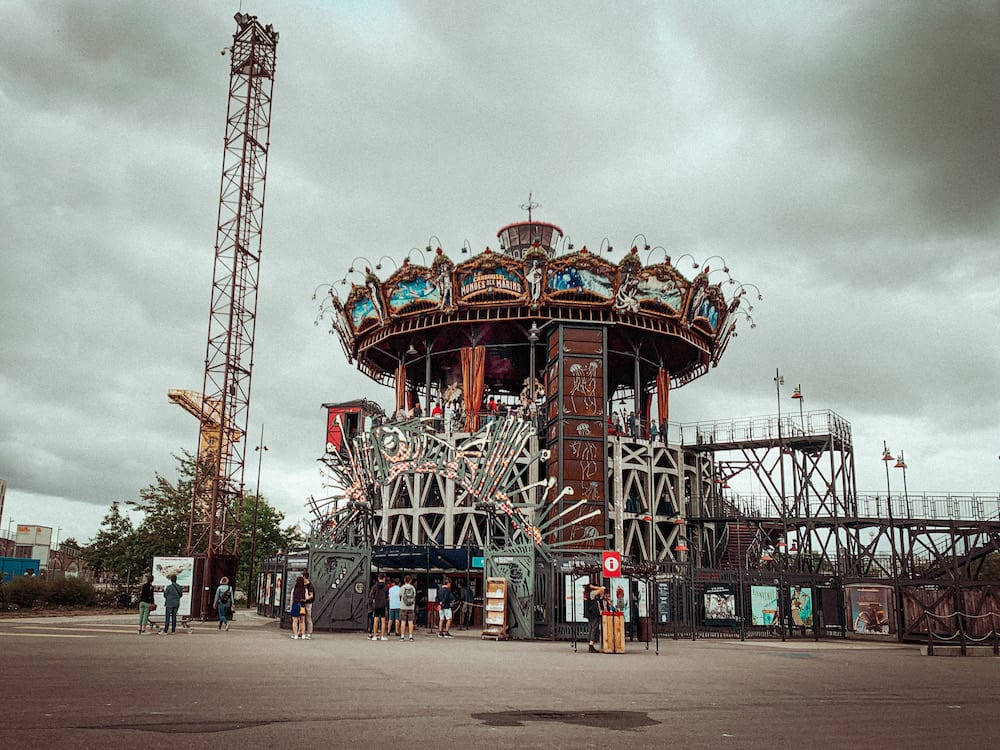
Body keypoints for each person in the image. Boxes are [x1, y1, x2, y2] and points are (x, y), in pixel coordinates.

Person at [583, 583, 607, 653]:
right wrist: (594, 587)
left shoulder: (587, 594)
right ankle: (591, 644)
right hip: (594, 613)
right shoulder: (592, 593)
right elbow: (602, 589)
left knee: (592, 628)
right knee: (594, 628)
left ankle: (591, 644)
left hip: (589, 613)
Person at [370, 572, 389, 640]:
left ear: (378, 578)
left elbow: (371, 595)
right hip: (383, 604)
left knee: (376, 619)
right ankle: (382, 636)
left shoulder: (375, 586)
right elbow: (387, 596)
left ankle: (375, 635)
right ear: (384, 579)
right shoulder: (386, 587)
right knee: (383, 620)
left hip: (376, 604)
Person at [399, 575, 417, 641]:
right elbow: (414, 596)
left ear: (404, 580)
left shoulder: (402, 588)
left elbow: (400, 595)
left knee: (403, 621)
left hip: (403, 606)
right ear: (410, 581)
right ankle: (410, 636)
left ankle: (402, 636)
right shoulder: (413, 588)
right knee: (410, 622)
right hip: (411, 607)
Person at [290, 574, 306, 640]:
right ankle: (303, 635)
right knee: (302, 621)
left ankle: (295, 635)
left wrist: (291, 607)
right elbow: (306, 598)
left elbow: (291, 599)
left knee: (295, 621)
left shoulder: (294, 589)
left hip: (295, 605)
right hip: (302, 606)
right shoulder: (304, 590)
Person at [302, 572, 315, 640]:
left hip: (308, 603)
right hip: (303, 603)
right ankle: (302, 632)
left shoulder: (310, 586)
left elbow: (311, 595)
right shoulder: (303, 585)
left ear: (304, 577)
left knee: (308, 618)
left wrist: (306, 598)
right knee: (302, 618)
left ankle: (309, 633)